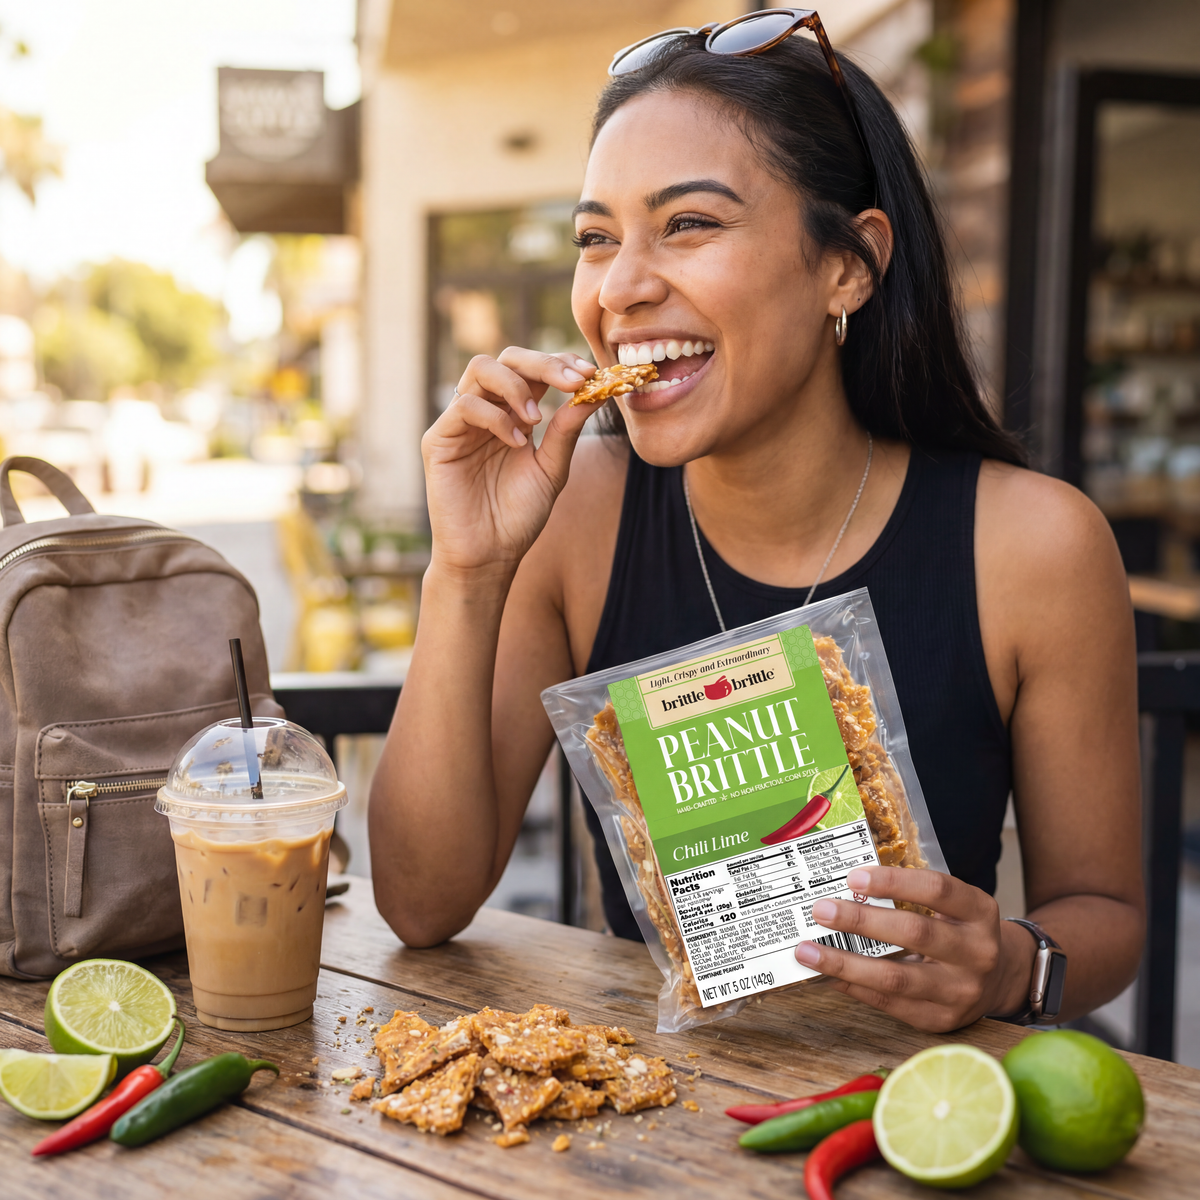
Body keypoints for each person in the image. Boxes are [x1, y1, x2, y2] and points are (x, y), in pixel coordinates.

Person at [369, 18, 1143, 1033]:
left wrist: (1011, 968)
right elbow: (422, 904)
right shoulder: (578, 519)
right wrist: (465, 573)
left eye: (687, 225)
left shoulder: (1036, 547)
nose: (620, 288)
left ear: (850, 267)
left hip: (911, 1124)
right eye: (596, 238)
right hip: (664, 1125)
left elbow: (1111, 913)